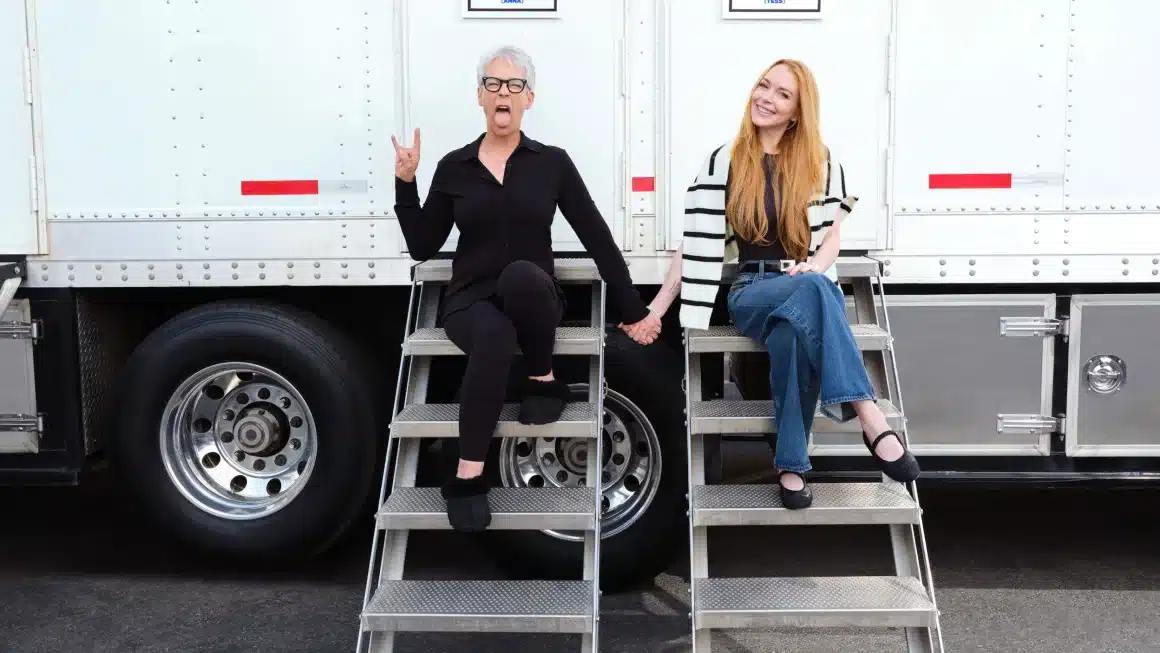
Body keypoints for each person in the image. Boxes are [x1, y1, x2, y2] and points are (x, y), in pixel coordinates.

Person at [624, 59, 920, 509]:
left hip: (803, 282)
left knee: (793, 337)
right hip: (752, 290)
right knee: (817, 293)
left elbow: (831, 238)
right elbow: (696, 239)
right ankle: (868, 415)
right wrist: (658, 309)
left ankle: (791, 465)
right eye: (764, 86)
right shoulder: (725, 159)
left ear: (798, 111)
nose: (767, 97)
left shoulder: (820, 162)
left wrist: (814, 269)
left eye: (782, 93)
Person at [392, 45, 656, 532]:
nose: (502, 93)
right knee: (490, 339)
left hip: (532, 295)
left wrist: (632, 307)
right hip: (469, 300)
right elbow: (422, 246)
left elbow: (595, 234)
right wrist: (405, 183)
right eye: (493, 84)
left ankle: (541, 376)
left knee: (521, 276)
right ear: (479, 96)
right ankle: (469, 474)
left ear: (529, 98)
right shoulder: (455, 167)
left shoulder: (551, 163)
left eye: (513, 85)